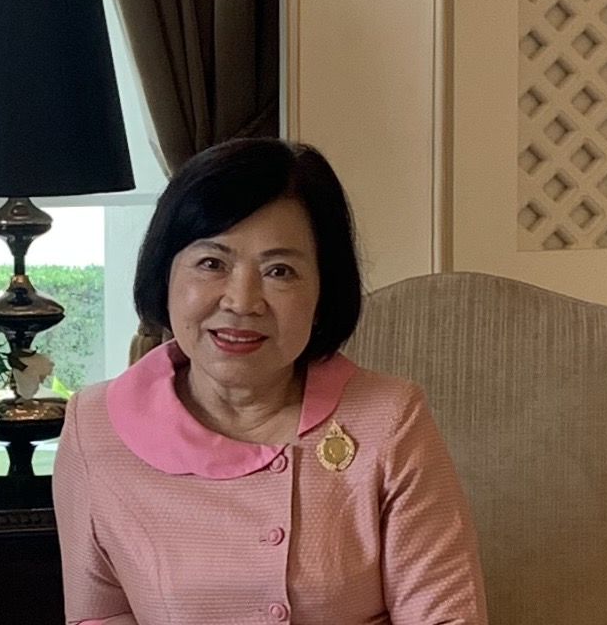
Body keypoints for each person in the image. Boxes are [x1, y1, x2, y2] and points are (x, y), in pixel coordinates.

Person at [53, 137, 488, 625]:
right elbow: (98, 616)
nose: (242, 301)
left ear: (323, 293)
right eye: (212, 263)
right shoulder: (95, 428)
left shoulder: (389, 419)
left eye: (280, 271)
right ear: (165, 275)